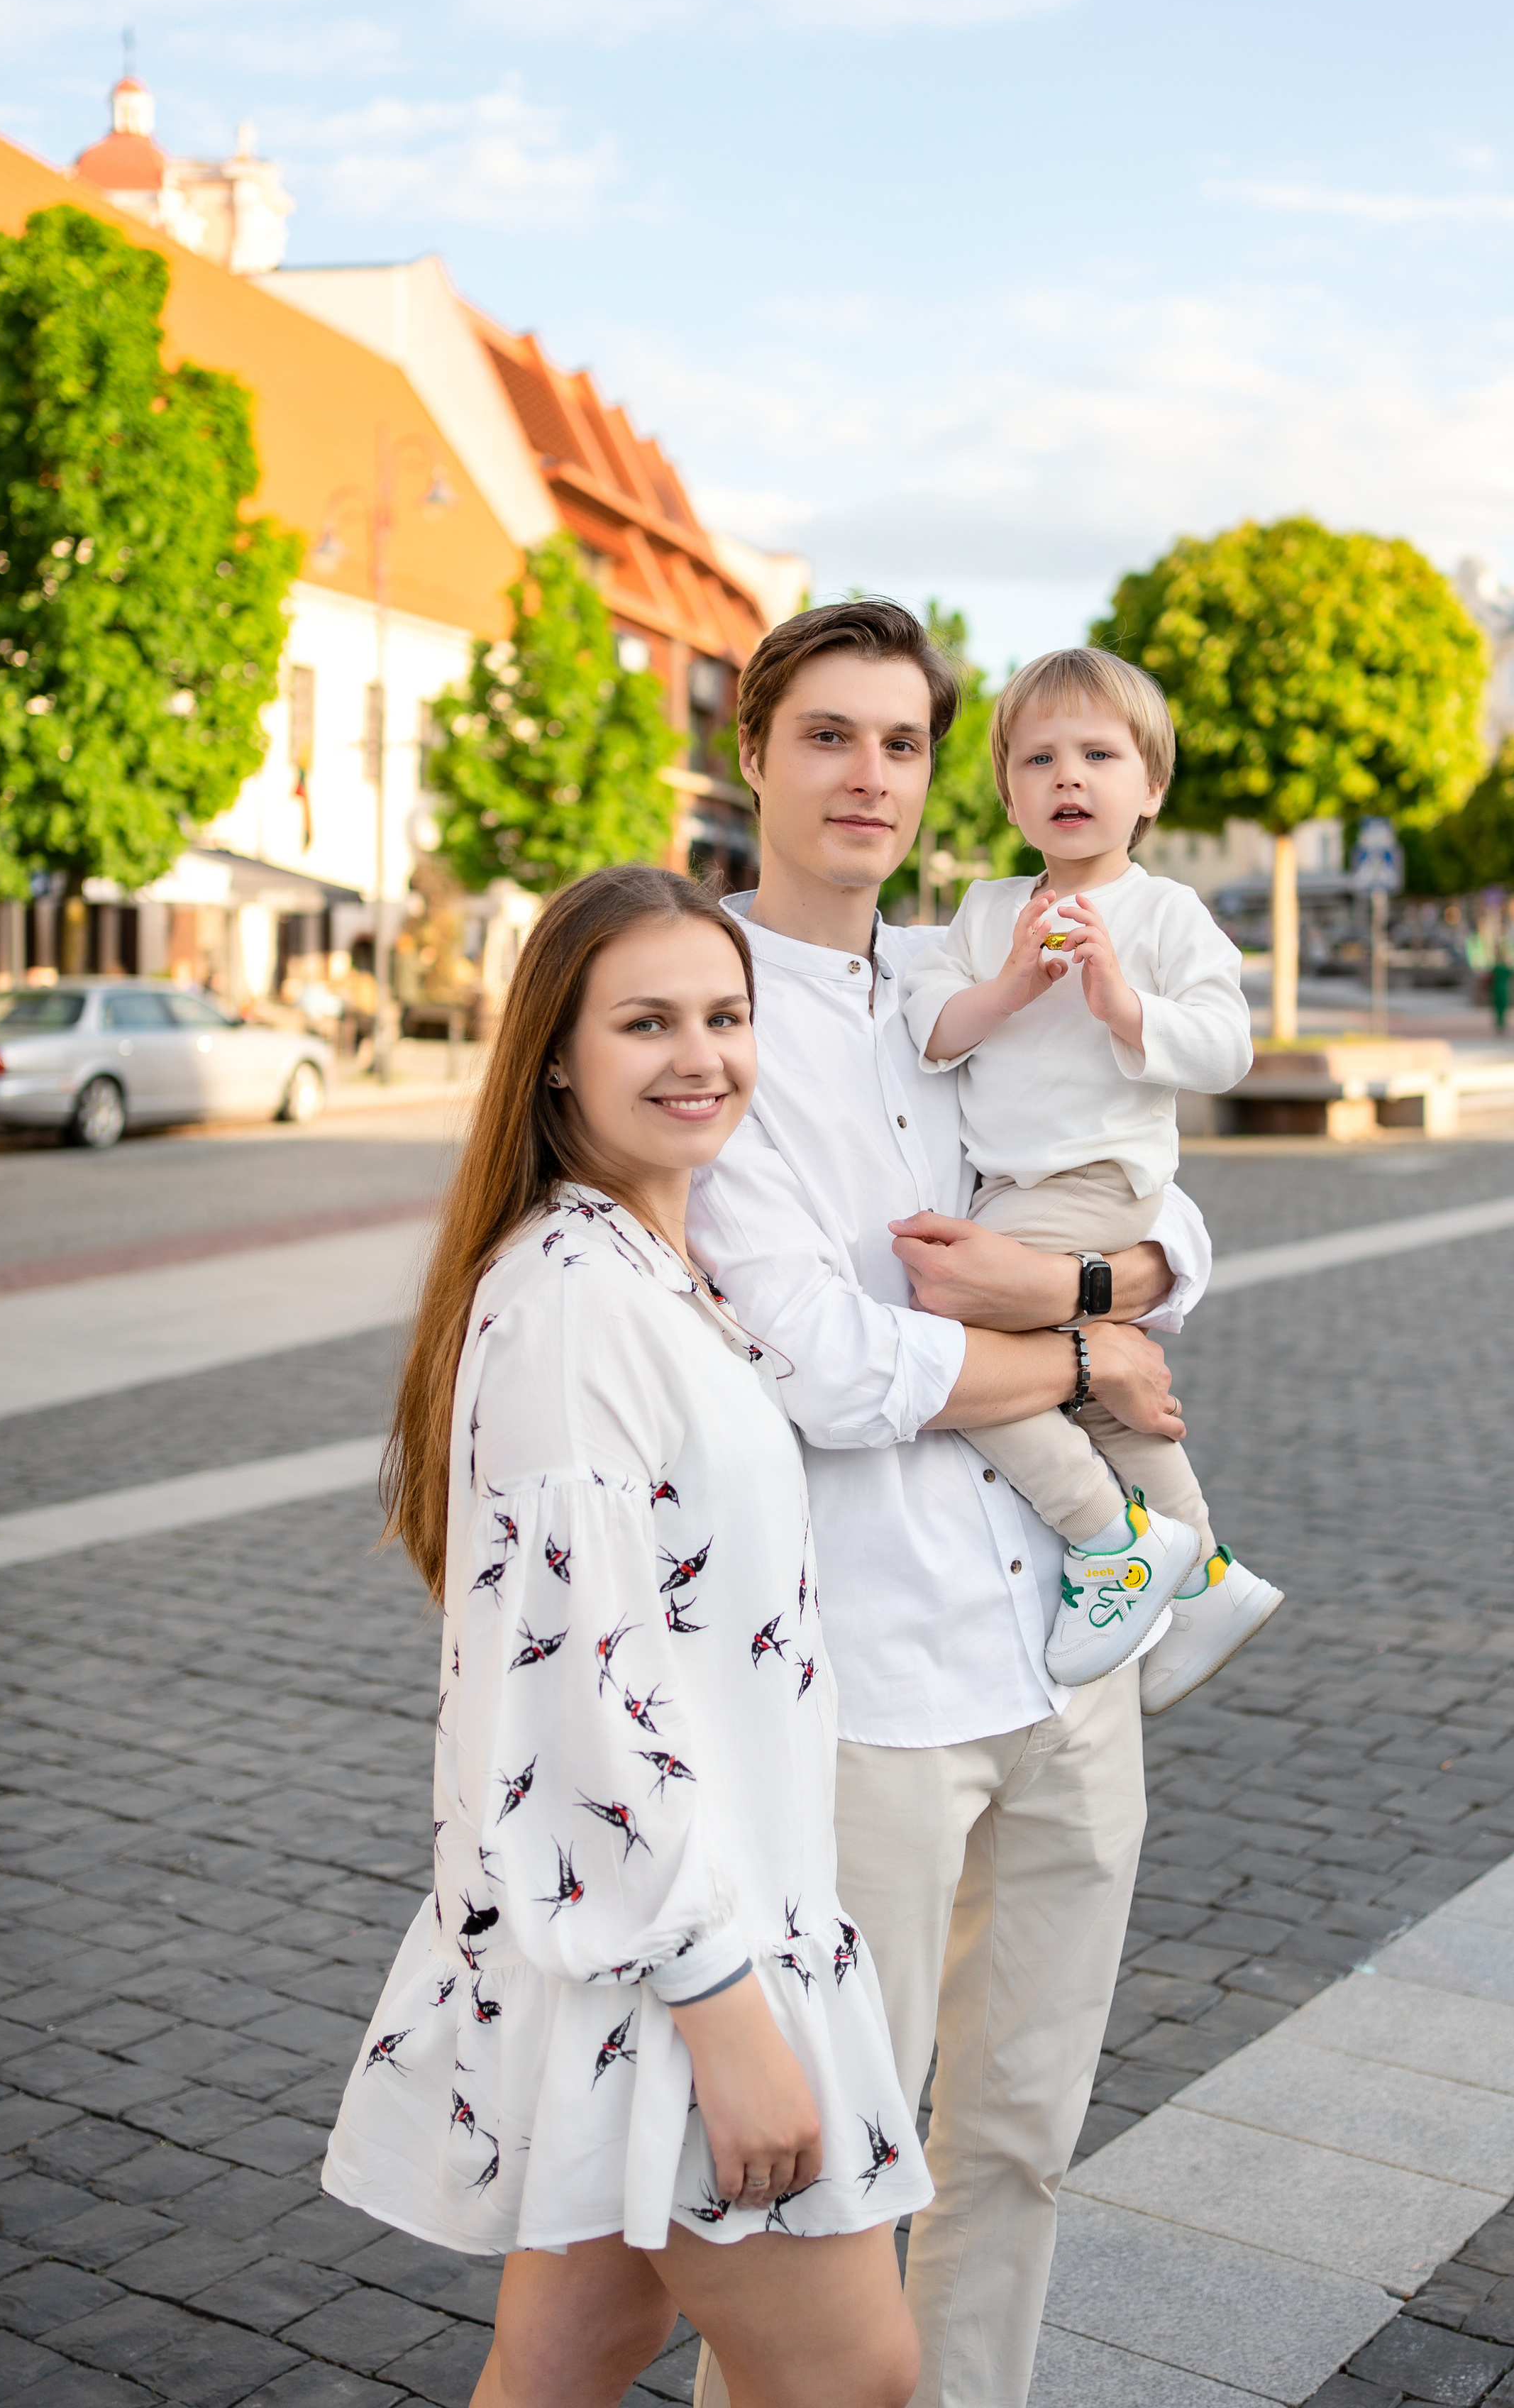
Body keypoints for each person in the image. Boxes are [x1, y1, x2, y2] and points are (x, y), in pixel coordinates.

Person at [685, 600, 1220, 2408]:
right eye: (825, 734)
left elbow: (1164, 1204)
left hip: (1064, 1669)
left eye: (899, 741)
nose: (866, 774)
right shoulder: (706, 1015)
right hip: (871, 1688)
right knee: (836, 2177)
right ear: (747, 751)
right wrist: (1076, 1352)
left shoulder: (960, 957)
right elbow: (831, 1367)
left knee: (1020, 2144)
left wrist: (1102, 1281)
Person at [321, 866, 929, 2408]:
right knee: (854, 2381)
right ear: (556, 1060)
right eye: (645, 1022)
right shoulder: (576, 1298)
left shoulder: (660, 1270)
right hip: (672, 1960)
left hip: (672, 1930)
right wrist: (726, 2006)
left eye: (723, 1017)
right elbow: (575, 1694)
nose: (700, 1056)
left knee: (573, 2357)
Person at [900, 647, 1281, 1691]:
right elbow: (934, 1026)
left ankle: (1109, 1535)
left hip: (1097, 1184)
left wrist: (1122, 1002)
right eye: (1040, 759)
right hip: (1012, 1193)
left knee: (959, 1356)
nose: (1069, 777)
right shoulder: (984, 913)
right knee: (1099, 1395)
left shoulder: (1166, 916)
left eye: (1099, 754)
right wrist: (1014, 981)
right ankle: (1204, 1573)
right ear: (1011, 794)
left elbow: (1224, 1047)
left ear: (1150, 787)